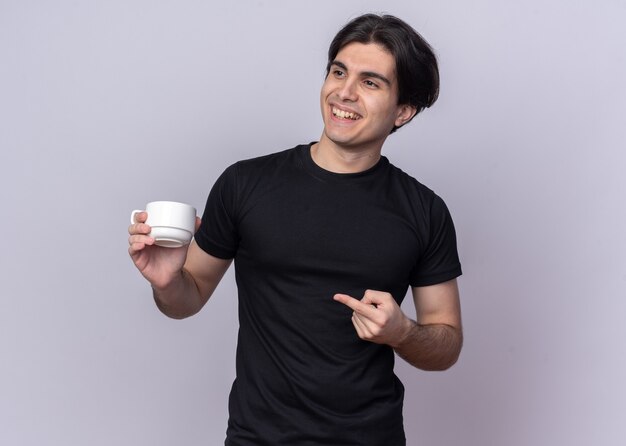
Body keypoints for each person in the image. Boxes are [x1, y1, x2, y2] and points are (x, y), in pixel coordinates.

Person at [129, 13, 462, 446]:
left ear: (403, 111)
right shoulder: (245, 184)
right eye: (338, 72)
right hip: (257, 437)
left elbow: (446, 344)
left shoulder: (425, 211)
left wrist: (402, 332)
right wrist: (168, 281)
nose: (344, 92)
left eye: (370, 82)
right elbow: (184, 301)